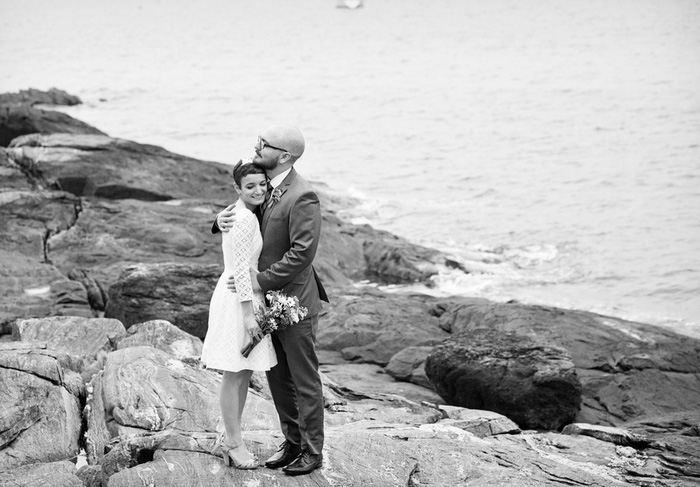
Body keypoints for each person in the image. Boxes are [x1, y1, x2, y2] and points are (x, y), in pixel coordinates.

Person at [212, 125, 328, 476]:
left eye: (264, 144)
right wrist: (218, 222)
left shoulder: (302, 196)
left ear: (284, 156)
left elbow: (302, 254)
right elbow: (244, 213)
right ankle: (292, 441)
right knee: (278, 378)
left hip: (293, 301)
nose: (257, 146)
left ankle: (312, 450)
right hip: (266, 303)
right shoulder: (264, 185)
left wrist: (258, 280)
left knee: (303, 379)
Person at [201, 161, 277, 470]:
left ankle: (228, 435)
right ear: (237, 189)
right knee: (235, 373)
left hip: (238, 293)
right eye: (250, 186)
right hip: (240, 300)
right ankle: (233, 442)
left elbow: (244, 264)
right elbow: (243, 271)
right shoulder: (244, 218)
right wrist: (249, 316)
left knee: (242, 371)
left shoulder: (240, 212)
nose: (259, 190)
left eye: (262, 184)